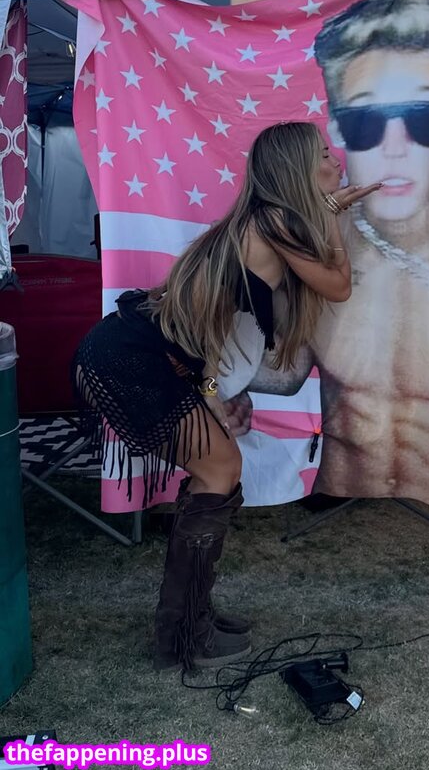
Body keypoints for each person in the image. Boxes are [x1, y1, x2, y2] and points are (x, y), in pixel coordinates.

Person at [72, 122, 378, 671]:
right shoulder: (275, 221)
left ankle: (189, 617)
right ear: (296, 169)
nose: (336, 159)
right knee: (220, 467)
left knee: (217, 471)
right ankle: (183, 633)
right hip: (129, 358)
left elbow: (217, 324)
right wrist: (333, 215)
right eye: (323, 155)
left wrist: (216, 390)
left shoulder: (265, 220)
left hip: (130, 353)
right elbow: (338, 285)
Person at [252, 0, 429, 506]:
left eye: (425, 118)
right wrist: (210, 385)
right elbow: (284, 373)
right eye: (367, 122)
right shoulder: (315, 236)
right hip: (341, 508)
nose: (396, 147)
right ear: (337, 128)